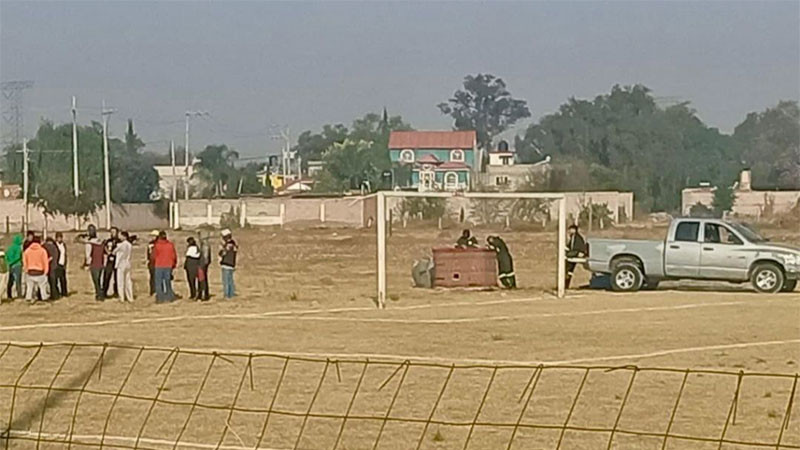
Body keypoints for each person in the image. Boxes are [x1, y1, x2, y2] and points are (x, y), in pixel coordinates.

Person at [23, 236, 50, 302]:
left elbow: (24, 261)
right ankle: (44, 298)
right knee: (42, 287)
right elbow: (45, 261)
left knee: (30, 287)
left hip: (30, 271)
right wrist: (46, 271)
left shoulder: (27, 251)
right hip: (40, 272)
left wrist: (26, 270)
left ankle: (28, 297)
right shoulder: (43, 251)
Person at [152, 231, 177, 303]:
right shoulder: (170, 245)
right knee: (167, 282)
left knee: (158, 282)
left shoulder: (157, 245)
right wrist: (174, 264)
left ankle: (160, 298)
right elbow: (174, 256)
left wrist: (153, 263)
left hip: (159, 265)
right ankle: (169, 297)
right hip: (168, 265)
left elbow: (153, 256)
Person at [84, 225, 106, 301]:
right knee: (98, 280)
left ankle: (99, 294)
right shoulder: (101, 241)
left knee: (96, 280)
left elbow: (88, 255)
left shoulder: (89, 243)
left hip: (94, 263)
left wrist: (87, 264)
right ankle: (100, 293)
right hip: (101, 263)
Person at [114, 231, 134, 303]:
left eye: (120, 235)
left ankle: (121, 297)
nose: (119, 237)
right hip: (127, 263)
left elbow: (114, 252)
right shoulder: (129, 245)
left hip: (121, 263)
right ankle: (130, 297)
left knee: (120, 281)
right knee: (128, 281)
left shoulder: (121, 245)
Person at [565, 224, 588, 289]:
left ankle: (566, 284)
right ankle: (566, 284)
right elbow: (569, 247)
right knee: (568, 270)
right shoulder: (572, 237)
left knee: (568, 269)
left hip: (576, 253)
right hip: (573, 254)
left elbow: (579, 249)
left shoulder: (578, 238)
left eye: (571, 229)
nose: (569, 231)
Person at [218, 229, 238, 299]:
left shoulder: (226, 245)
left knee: (226, 280)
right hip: (232, 264)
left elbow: (222, 253)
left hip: (226, 263)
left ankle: (226, 295)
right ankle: (231, 293)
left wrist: (221, 249)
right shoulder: (234, 244)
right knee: (231, 280)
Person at [102, 227, 120, 298]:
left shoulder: (119, 241)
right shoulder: (108, 241)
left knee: (117, 277)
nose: (112, 234)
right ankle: (104, 292)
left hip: (117, 261)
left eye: (114, 232)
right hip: (109, 261)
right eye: (111, 232)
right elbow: (104, 249)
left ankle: (117, 292)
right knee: (107, 276)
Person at [5, 234, 23, 299]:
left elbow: (6, 256)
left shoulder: (9, 247)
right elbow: (18, 257)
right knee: (18, 281)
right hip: (17, 265)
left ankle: (9, 294)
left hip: (10, 266)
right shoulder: (18, 248)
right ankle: (19, 295)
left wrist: (9, 263)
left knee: (10, 281)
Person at [197, 232, 211, 301]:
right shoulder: (205, 245)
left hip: (202, 265)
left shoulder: (205, 246)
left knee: (202, 280)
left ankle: (203, 294)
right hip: (203, 264)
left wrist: (202, 265)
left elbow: (205, 258)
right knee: (203, 279)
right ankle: (204, 294)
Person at [55, 232, 68, 297]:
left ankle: (64, 292)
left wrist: (65, 263)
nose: (59, 239)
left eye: (60, 237)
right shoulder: (55, 245)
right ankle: (57, 292)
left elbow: (65, 254)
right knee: (56, 280)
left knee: (63, 279)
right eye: (58, 238)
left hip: (62, 263)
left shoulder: (64, 245)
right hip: (57, 264)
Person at [146, 230, 159, 296]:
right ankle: (152, 290)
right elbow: (148, 252)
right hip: (151, 262)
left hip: (158, 262)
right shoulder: (150, 243)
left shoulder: (159, 243)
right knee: (152, 277)